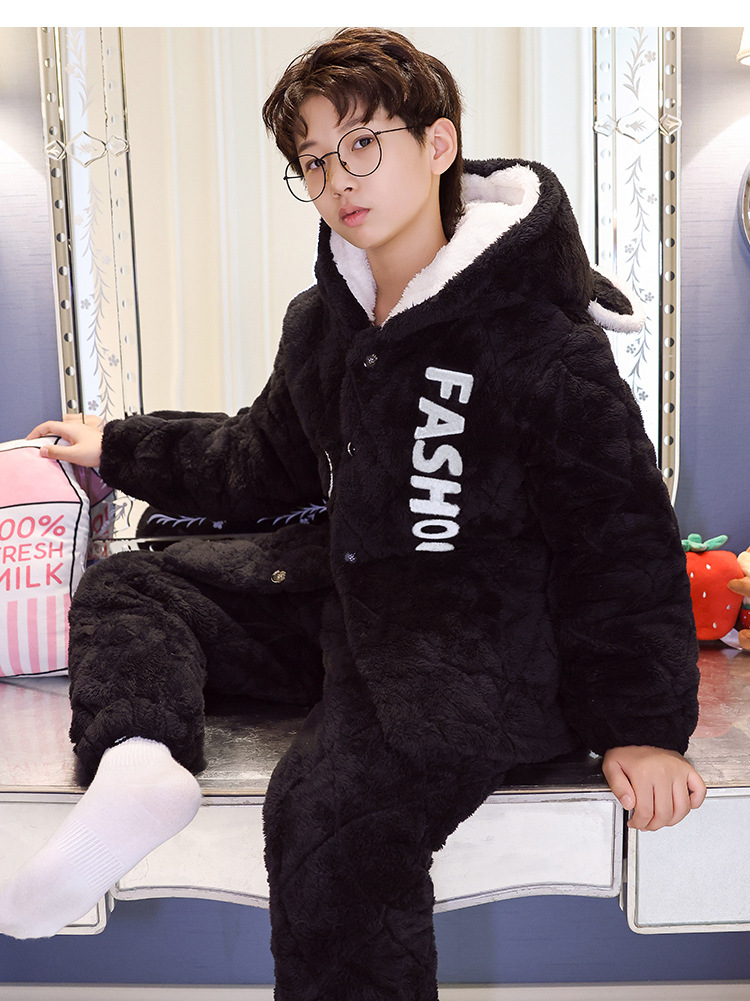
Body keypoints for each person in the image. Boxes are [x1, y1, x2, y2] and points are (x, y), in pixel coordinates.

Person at [1, 26, 705, 1001]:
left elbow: (619, 540)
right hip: (344, 606)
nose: (338, 179)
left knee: (326, 816)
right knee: (133, 582)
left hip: (474, 660)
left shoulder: (540, 342)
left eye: (362, 143)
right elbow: (257, 458)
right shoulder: (322, 325)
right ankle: (140, 760)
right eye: (315, 161)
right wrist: (120, 444)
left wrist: (643, 726)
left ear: (439, 143)